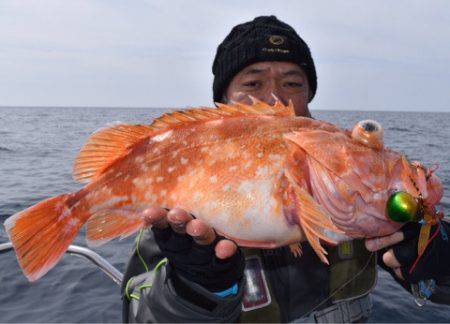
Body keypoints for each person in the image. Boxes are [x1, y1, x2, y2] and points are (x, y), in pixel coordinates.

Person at [121, 16, 450, 323]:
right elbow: (138, 312)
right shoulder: (178, 198)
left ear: (309, 95)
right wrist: (197, 287)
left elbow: (437, 292)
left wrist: (438, 259)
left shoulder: (346, 180)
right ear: (224, 101)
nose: (275, 96)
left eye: (292, 83)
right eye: (253, 84)